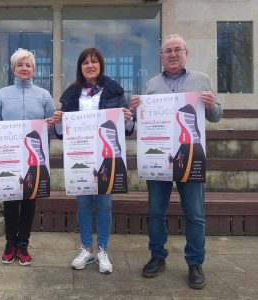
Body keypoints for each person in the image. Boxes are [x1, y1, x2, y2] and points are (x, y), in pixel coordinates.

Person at [130, 34, 223, 289]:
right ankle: (157, 257)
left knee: (195, 213)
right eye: (167, 51)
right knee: (155, 212)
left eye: (177, 50)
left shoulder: (201, 80)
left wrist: (212, 104)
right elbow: (140, 122)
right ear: (160, 57)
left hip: (191, 155)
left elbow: (216, 116)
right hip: (159, 158)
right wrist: (135, 109)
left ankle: (195, 263)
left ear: (186, 53)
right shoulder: (151, 84)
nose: (172, 54)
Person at [53, 47, 134, 274]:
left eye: (94, 62)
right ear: (80, 67)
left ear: (101, 65)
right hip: (80, 157)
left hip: (106, 157)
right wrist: (59, 121)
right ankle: (86, 248)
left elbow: (127, 130)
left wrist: (128, 119)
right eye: (85, 62)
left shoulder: (114, 92)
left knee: (105, 204)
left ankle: (102, 250)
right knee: (84, 204)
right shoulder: (71, 95)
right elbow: (61, 134)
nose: (90, 66)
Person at [0, 48, 55, 266]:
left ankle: (23, 244)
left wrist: (53, 124)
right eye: (20, 64)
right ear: (13, 68)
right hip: (9, 157)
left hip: (34, 159)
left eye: (28, 65)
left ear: (34, 69)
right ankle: (10, 243)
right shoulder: (2, 94)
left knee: (29, 201)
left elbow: (52, 128)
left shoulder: (44, 95)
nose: (24, 68)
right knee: (10, 201)